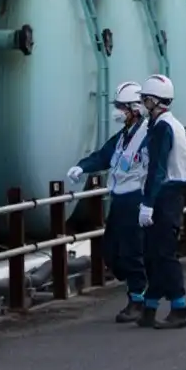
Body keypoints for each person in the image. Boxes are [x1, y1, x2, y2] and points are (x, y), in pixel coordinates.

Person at [66, 81, 151, 323]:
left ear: (135, 109)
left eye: (121, 107)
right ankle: (142, 287)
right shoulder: (124, 136)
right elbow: (104, 156)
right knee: (112, 251)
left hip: (135, 199)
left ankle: (139, 299)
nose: (117, 112)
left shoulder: (147, 135)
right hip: (120, 199)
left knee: (132, 252)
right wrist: (82, 167)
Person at [134, 73, 186, 329]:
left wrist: (148, 203)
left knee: (164, 254)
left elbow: (158, 169)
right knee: (153, 253)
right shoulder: (164, 123)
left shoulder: (163, 127)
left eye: (145, 99)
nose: (142, 104)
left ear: (154, 101)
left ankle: (180, 307)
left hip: (166, 194)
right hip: (168, 192)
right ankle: (150, 305)